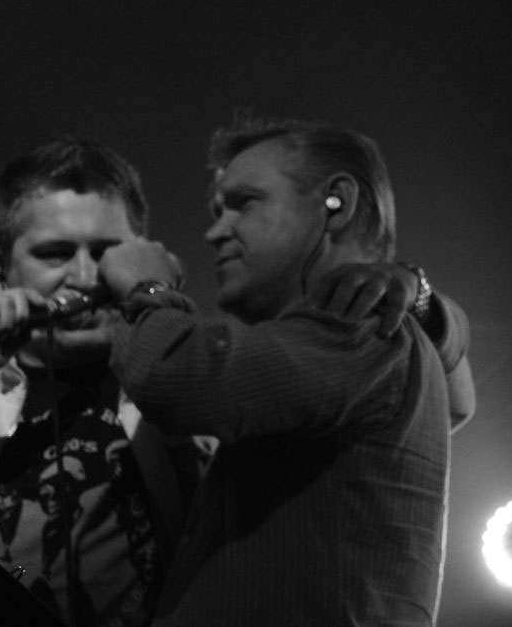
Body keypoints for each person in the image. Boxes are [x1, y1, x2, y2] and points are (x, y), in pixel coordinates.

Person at [0, 134, 464, 627]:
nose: (85, 277)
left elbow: (440, 402)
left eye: (107, 253)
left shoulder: (198, 381)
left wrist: (422, 299)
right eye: (56, 253)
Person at [98, 115, 474, 626]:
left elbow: (175, 378)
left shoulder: (362, 326)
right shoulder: (365, 335)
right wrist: (427, 302)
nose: (214, 232)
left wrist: (148, 287)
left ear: (336, 202)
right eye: (217, 211)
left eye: (244, 203)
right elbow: (459, 401)